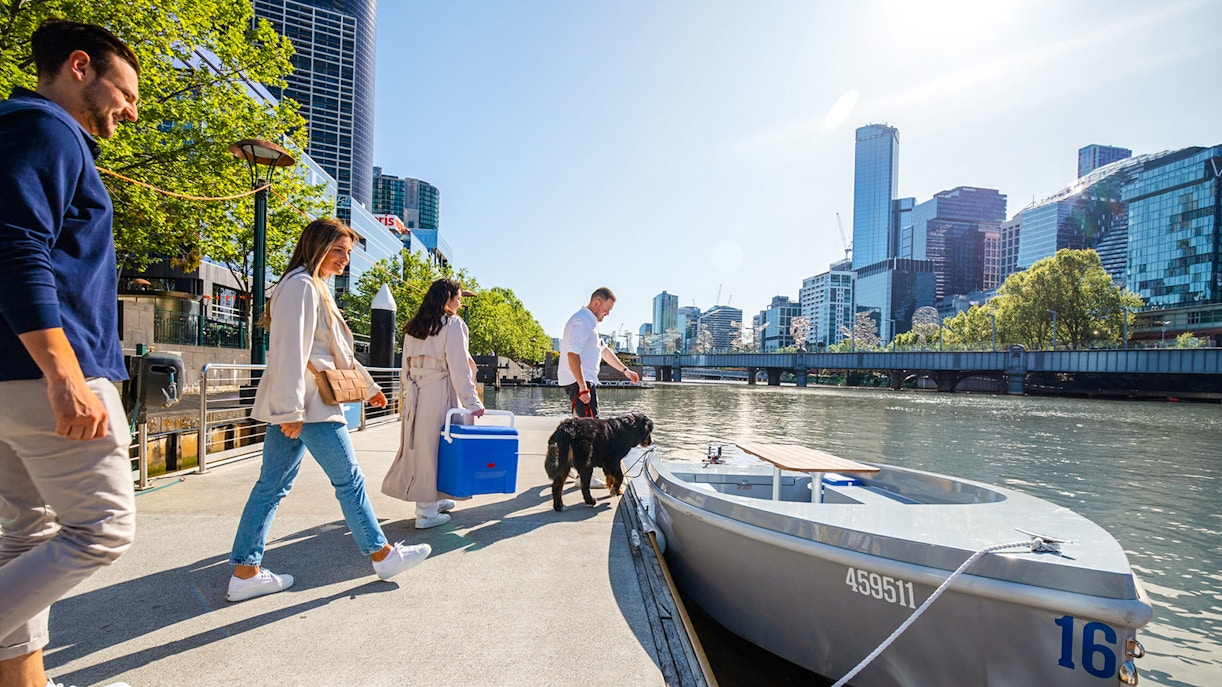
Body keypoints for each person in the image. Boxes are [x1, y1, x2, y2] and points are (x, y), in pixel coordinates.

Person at [0, 20, 141, 687]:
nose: (131, 109)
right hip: (46, 373)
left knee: (25, 537)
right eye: (126, 90)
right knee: (103, 529)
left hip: (11, 376)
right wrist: (65, 373)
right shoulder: (48, 130)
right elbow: (17, 248)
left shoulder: (23, 129)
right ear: (79, 66)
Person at [226, 218, 430, 603]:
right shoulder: (301, 286)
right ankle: (382, 555)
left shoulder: (313, 286)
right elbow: (290, 351)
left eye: (348, 254)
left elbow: (335, 351)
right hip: (309, 404)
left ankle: (245, 571)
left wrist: (368, 389)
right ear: (316, 245)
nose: (344, 260)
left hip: (304, 403)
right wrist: (289, 410)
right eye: (338, 250)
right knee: (347, 479)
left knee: (272, 485)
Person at [382, 278, 485, 529]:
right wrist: (472, 401)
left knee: (420, 446)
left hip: (416, 392)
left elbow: (405, 366)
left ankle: (434, 499)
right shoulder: (453, 325)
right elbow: (458, 366)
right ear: (447, 299)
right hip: (439, 390)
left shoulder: (414, 327)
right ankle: (426, 512)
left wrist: (410, 391)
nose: (460, 303)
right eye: (458, 298)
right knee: (439, 446)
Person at [558, 288, 641, 487]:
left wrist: (625, 371)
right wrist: (582, 387)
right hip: (581, 382)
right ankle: (583, 477)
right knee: (591, 431)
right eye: (607, 308)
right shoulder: (581, 322)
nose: (608, 313)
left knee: (583, 428)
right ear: (596, 302)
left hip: (584, 381)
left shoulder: (590, 324)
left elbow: (604, 351)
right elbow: (572, 355)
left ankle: (565, 467)